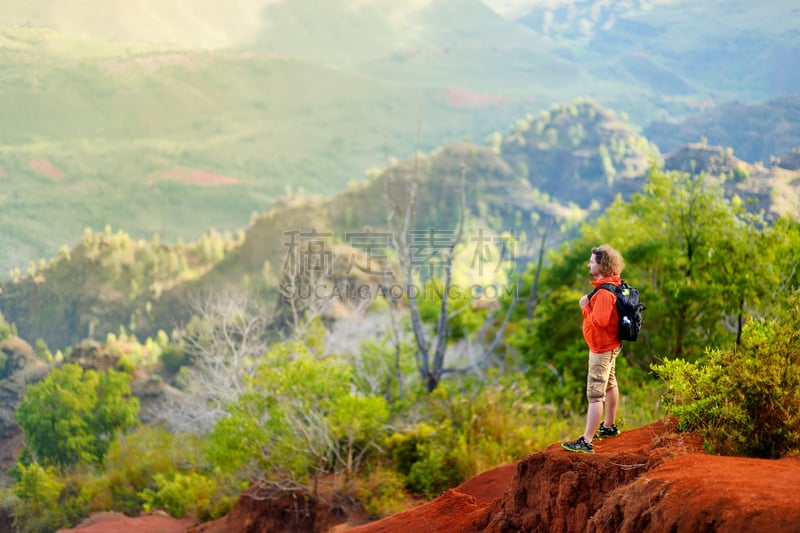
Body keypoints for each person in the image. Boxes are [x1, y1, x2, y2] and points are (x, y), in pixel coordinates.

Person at [562, 244, 624, 454]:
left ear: (601, 264)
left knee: (595, 394)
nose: (588, 264)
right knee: (610, 383)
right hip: (610, 345)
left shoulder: (605, 293)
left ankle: (586, 441)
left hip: (602, 348)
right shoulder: (611, 284)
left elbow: (599, 321)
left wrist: (584, 307)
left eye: (591, 261)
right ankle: (609, 426)